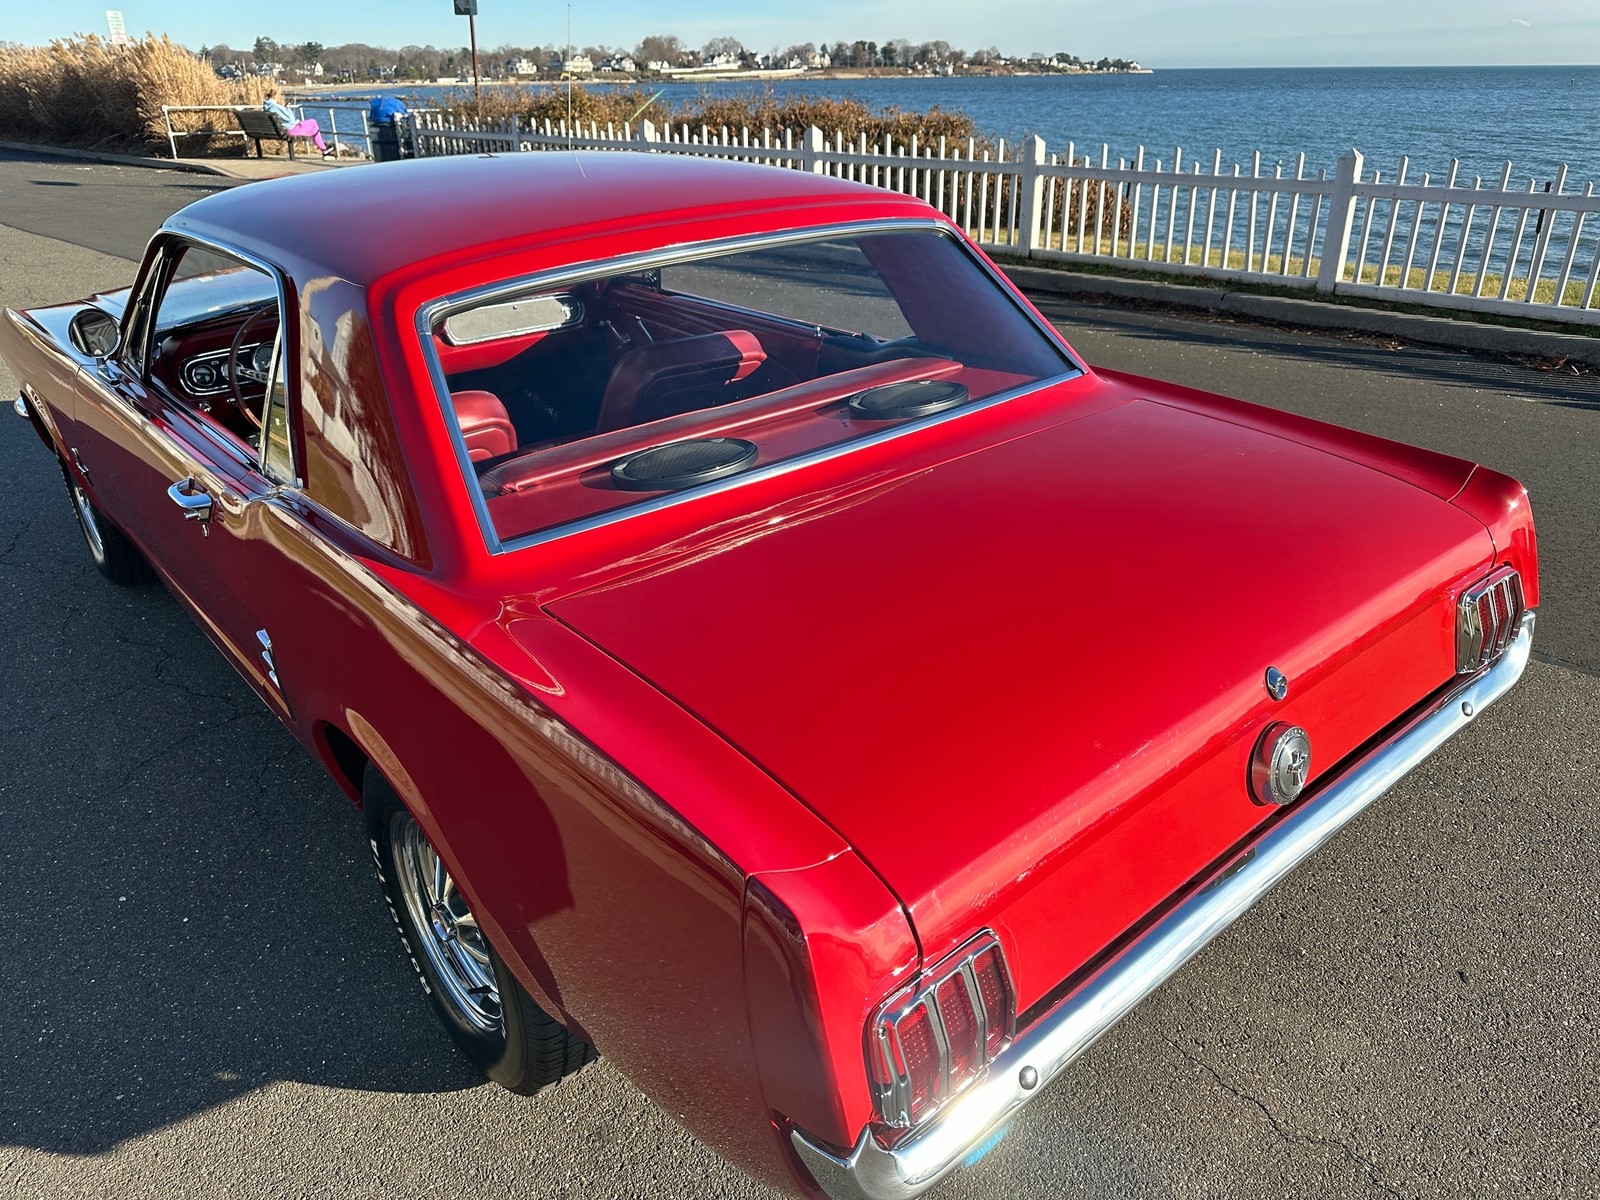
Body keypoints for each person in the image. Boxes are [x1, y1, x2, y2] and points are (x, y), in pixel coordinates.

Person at [262, 89, 332, 158]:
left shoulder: (267, 107)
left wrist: (284, 109)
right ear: (274, 96)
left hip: (281, 130)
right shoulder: (275, 106)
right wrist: (287, 109)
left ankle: (324, 150)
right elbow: (291, 120)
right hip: (290, 130)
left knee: (314, 127)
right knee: (313, 123)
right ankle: (324, 150)